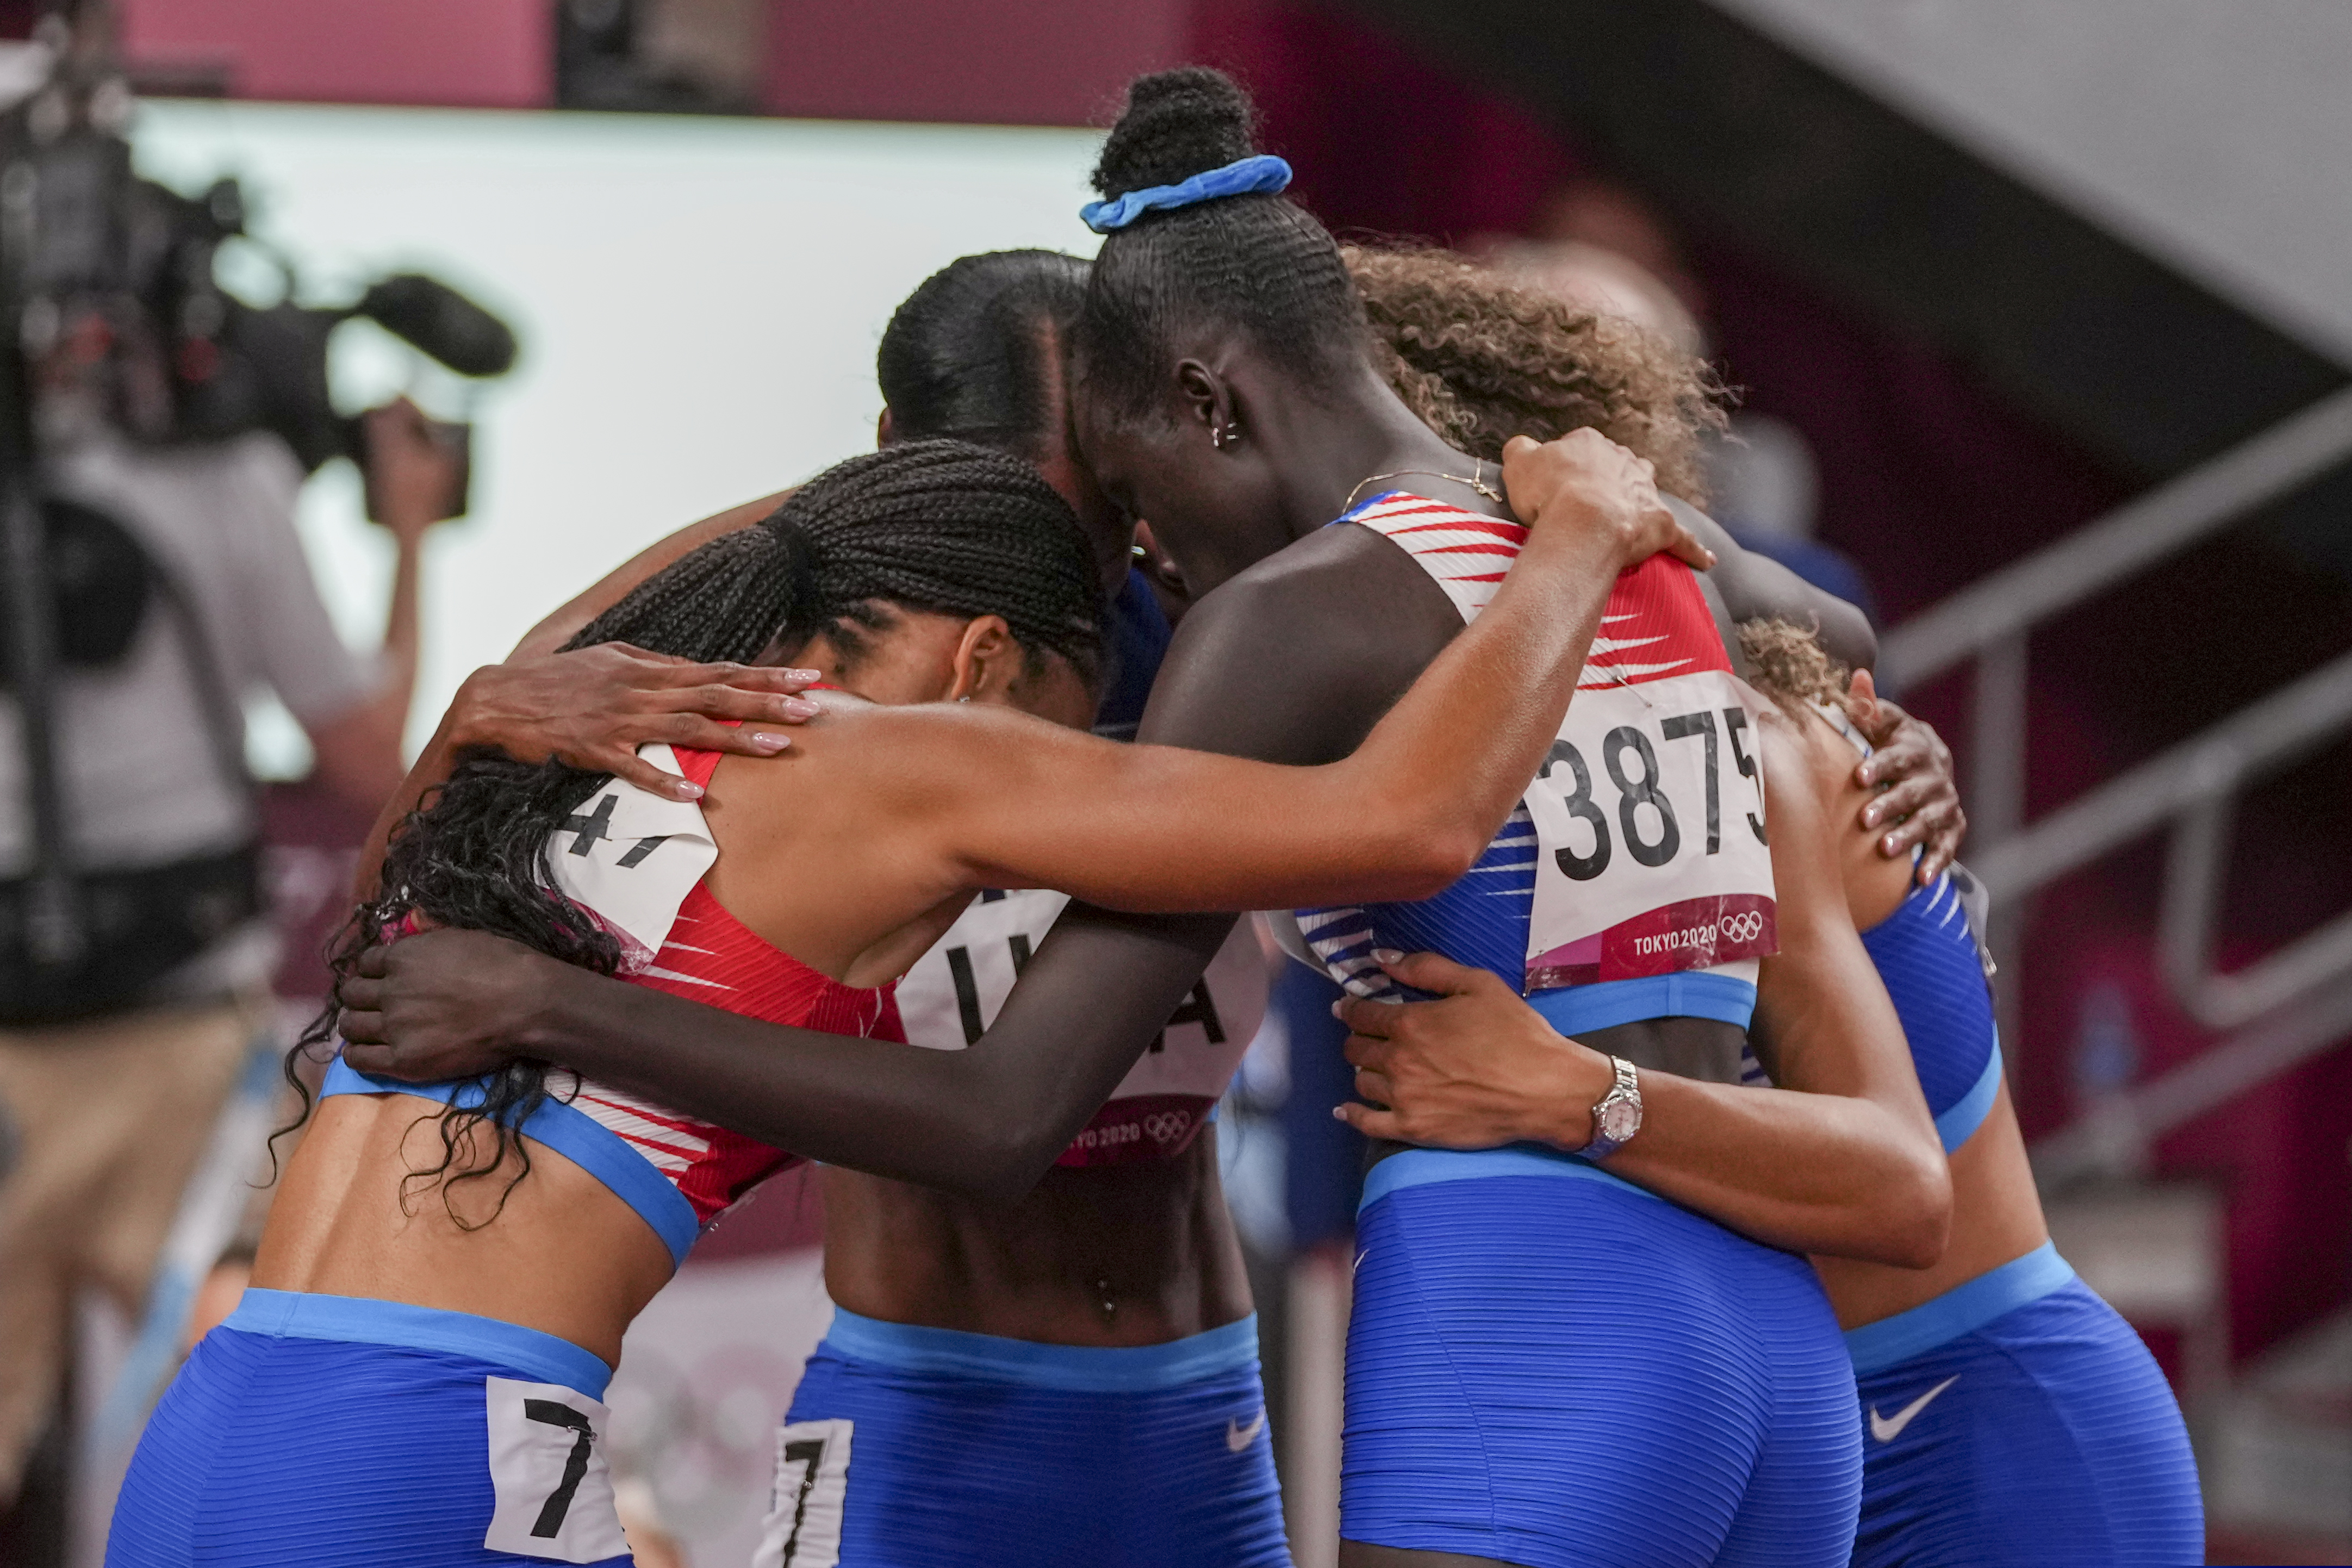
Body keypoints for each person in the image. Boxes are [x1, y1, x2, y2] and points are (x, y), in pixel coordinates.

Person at [343, 67, 1955, 1568]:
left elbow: (1471, 794)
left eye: (1115, 508)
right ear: (907, 471)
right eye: (1043, 508)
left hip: (1215, 1403)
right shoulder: (851, 651)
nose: (1113, 560)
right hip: (943, 1405)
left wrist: (1870, 740)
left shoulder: (1236, 624)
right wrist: (498, 699)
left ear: (1189, 422)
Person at [111, 433, 1704, 1567]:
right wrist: (1570, 539)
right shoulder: (905, 753)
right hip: (427, 1453)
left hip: (222, 1419)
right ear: (985, 659)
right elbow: (1404, 822)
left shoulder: (560, 727)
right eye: (1072, 726)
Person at [1337, 623, 2204, 1568]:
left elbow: (1902, 1196)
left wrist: (1572, 1094)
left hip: (1987, 1424)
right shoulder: (1609, 802)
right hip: (1799, 1423)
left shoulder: (1771, 762)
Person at [0, 399, 458, 1536]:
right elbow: (368, 759)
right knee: (253, 1438)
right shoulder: (228, 475)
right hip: (188, 1046)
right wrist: (408, 529)